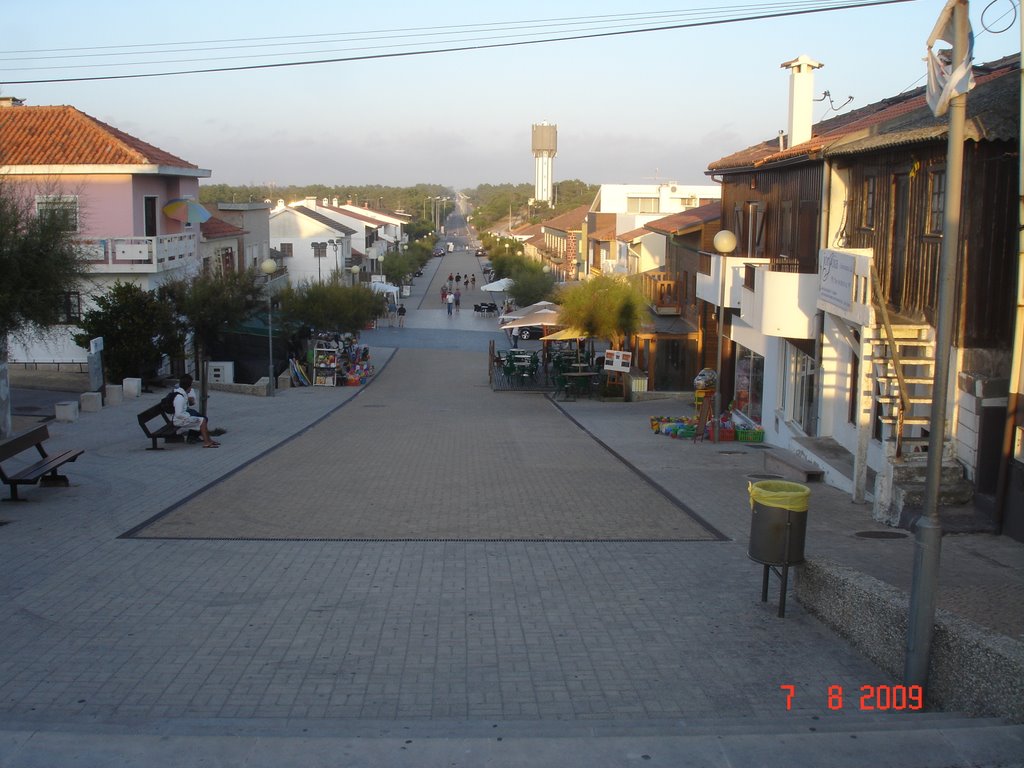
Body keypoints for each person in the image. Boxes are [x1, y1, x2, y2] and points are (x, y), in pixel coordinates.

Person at [172, 374, 219, 447]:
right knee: (202, 420)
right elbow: (178, 414)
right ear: (188, 386)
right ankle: (207, 442)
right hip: (179, 420)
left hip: (182, 417)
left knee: (202, 419)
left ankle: (209, 440)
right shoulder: (179, 397)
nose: (191, 388)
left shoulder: (181, 393)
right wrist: (188, 415)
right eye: (191, 386)